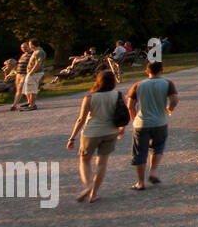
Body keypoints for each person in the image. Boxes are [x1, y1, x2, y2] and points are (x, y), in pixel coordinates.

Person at [66, 70, 126, 203]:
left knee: (85, 159)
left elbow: (81, 119)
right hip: (111, 131)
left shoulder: (90, 97)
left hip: (91, 133)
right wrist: (122, 129)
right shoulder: (119, 95)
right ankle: (94, 193)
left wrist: (72, 137)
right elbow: (123, 113)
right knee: (102, 163)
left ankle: (88, 185)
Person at [127, 61, 179, 190]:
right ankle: (153, 172)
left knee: (140, 152)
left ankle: (140, 182)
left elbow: (130, 105)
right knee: (158, 147)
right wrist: (168, 110)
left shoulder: (138, 85)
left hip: (141, 123)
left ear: (147, 71)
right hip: (160, 122)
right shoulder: (168, 84)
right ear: (162, 70)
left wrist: (134, 120)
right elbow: (174, 100)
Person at [22, 39, 46, 110]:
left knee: (32, 89)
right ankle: (30, 103)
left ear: (32, 45)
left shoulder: (39, 52)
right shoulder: (35, 52)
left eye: (29, 44)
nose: (29, 46)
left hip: (35, 73)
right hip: (32, 73)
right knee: (28, 88)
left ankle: (32, 105)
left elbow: (38, 63)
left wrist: (31, 72)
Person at [9, 41, 31, 110]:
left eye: (25, 47)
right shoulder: (23, 55)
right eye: (22, 47)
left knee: (20, 89)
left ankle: (14, 105)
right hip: (18, 74)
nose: (23, 48)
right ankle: (29, 102)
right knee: (22, 89)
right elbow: (18, 64)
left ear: (29, 47)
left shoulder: (32, 54)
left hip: (25, 74)